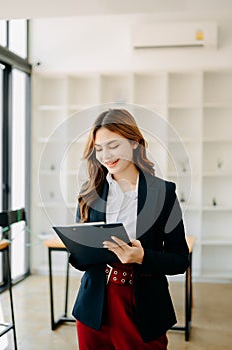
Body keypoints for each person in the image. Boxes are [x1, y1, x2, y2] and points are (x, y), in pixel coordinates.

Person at [69, 108, 189, 350]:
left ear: (134, 143)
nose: (105, 155)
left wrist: (142, 256)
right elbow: (78, 260)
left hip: (142, 306)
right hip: (94, 307)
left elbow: (179, 260)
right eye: (99, 148)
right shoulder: (89, 192)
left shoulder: (163, 193)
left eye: (113, 145)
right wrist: (80, 248)